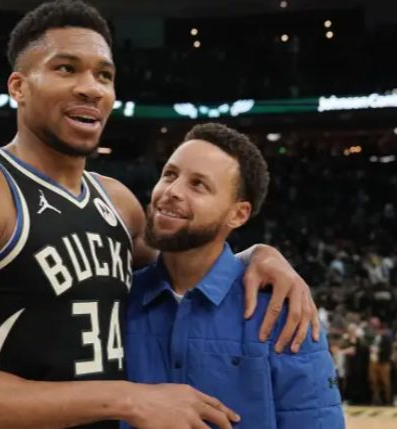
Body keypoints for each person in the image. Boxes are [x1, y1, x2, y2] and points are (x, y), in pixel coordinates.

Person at [0, 2, 319, 429]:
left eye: (104, 75)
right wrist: (124, 398)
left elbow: (191, 266)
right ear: (19, 87)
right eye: (66, 69)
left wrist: (257, 255)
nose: (91, 88)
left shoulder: (119, 204)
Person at [125, 123, 344, 428]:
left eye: (198, 184)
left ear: (238, 214)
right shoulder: (118, 297)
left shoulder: (283, 313)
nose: (172, 191)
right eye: (170, 174)